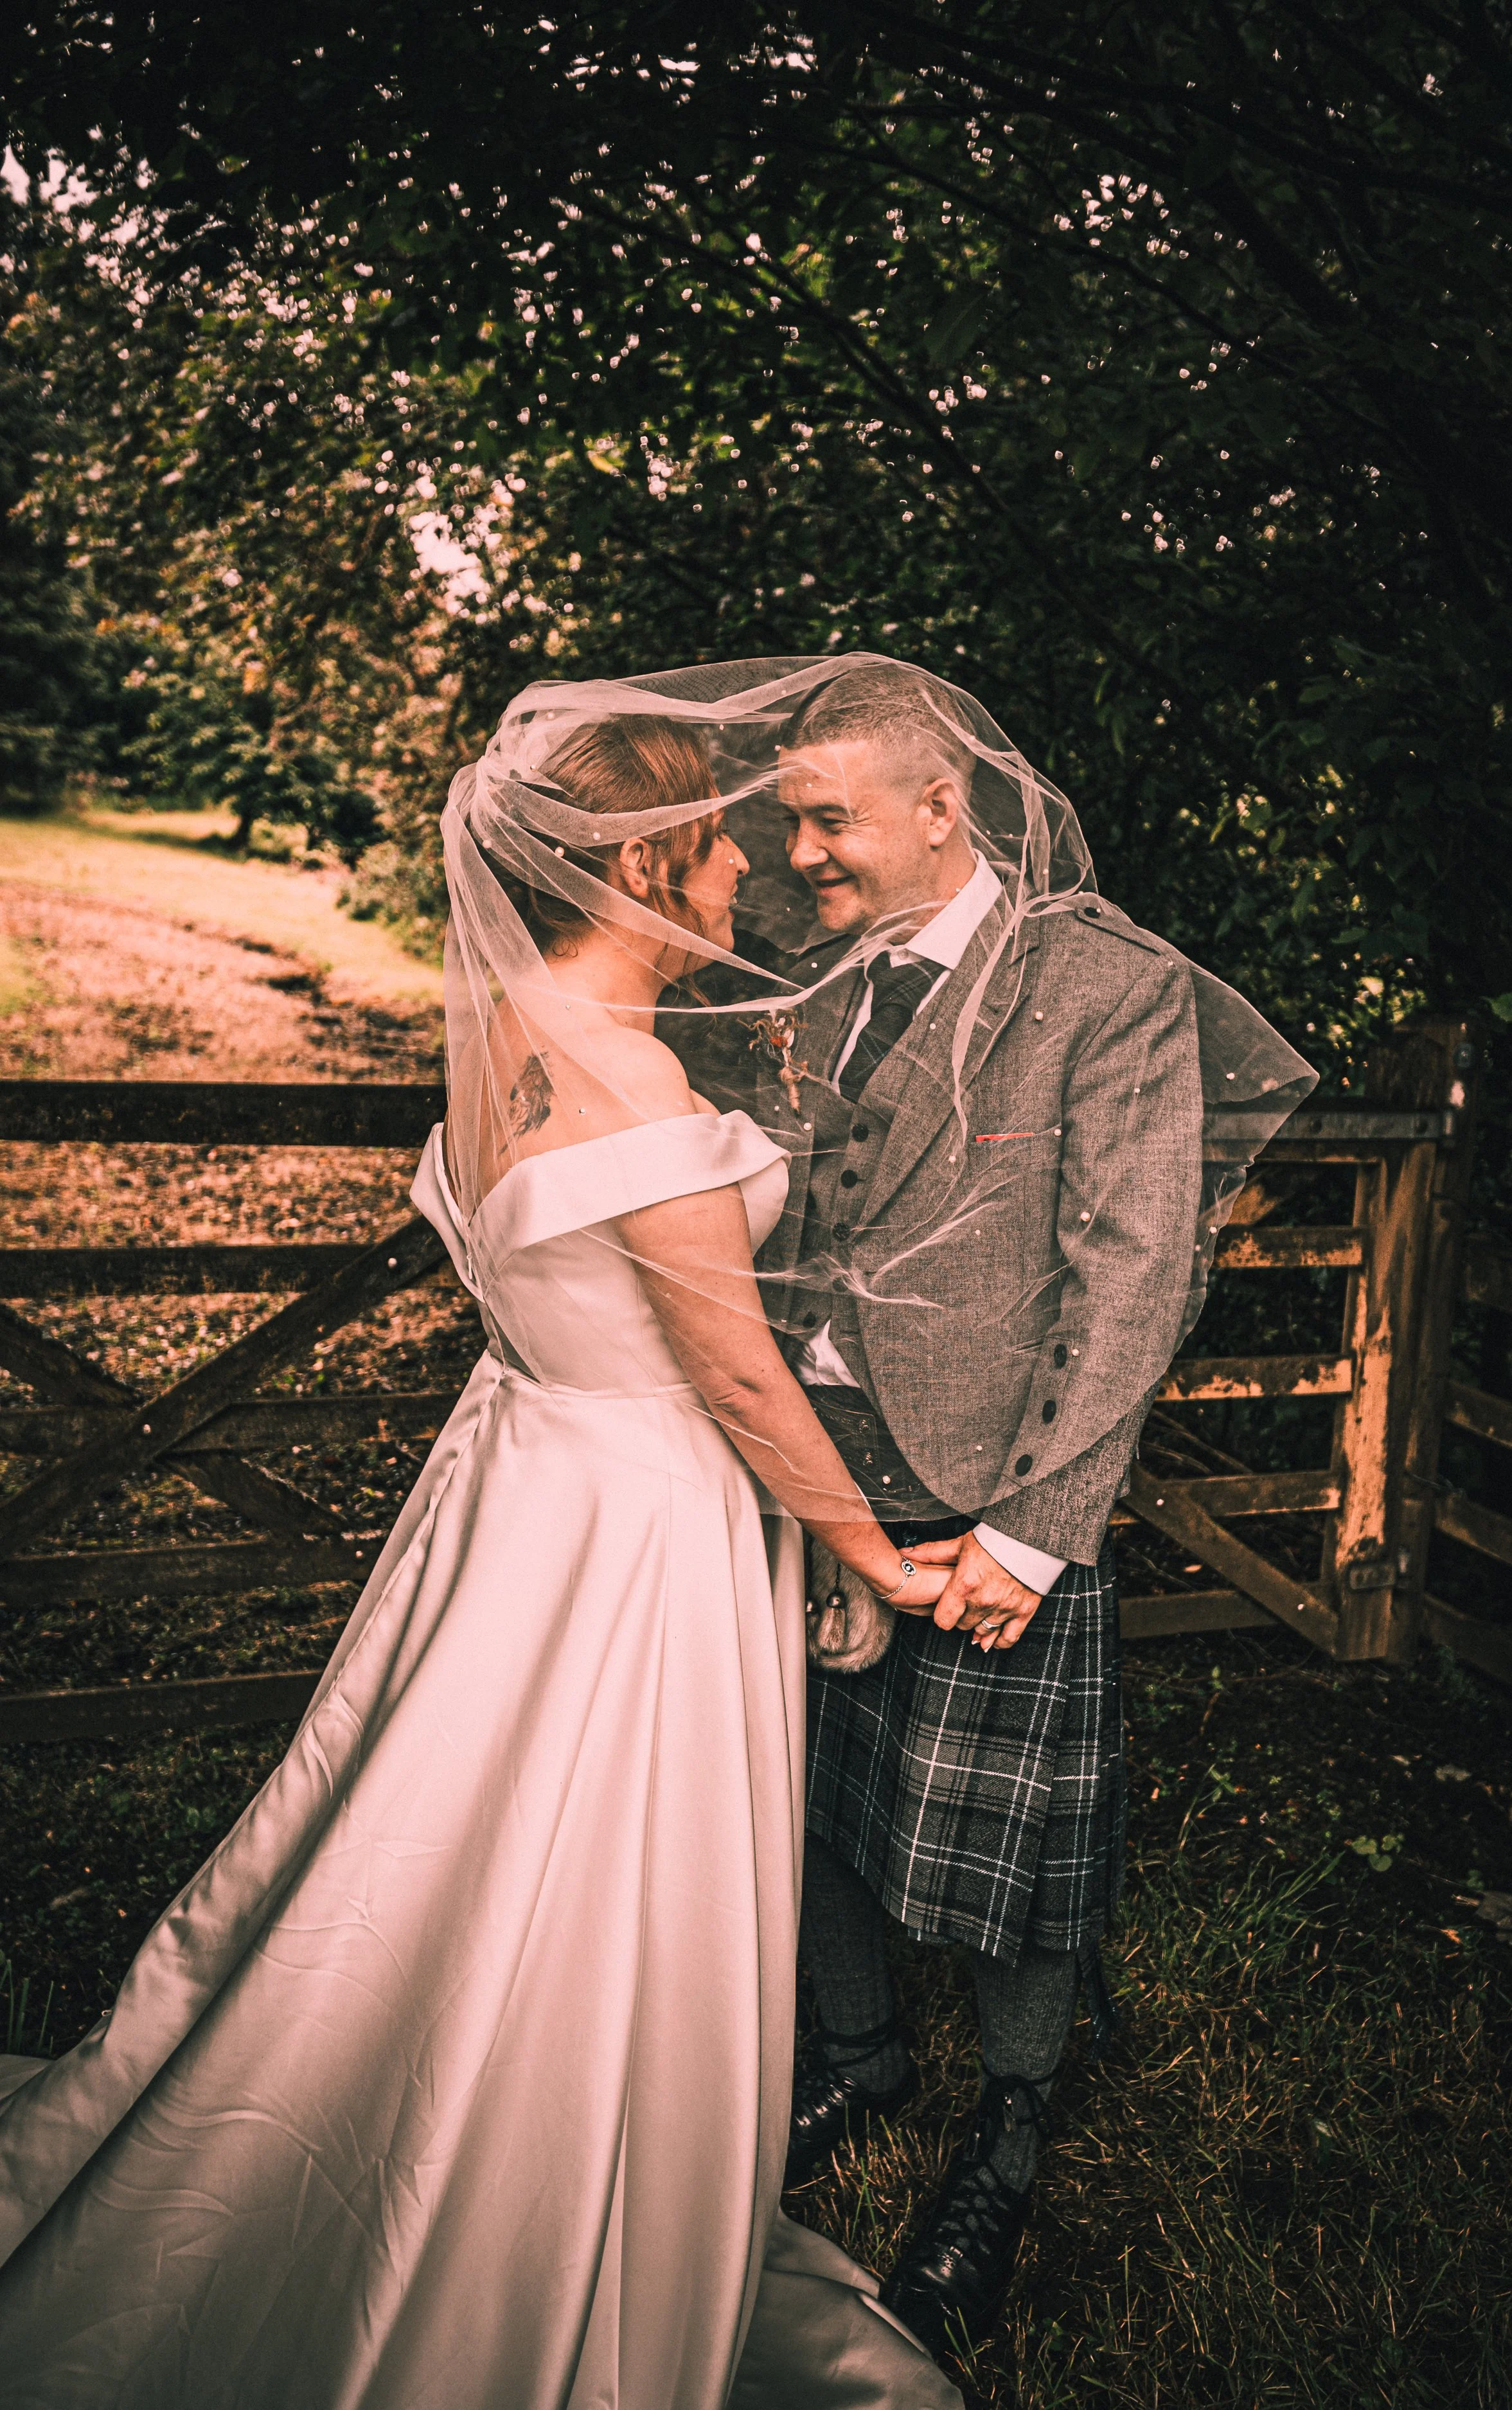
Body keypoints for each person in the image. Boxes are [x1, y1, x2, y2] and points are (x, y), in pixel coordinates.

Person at [0, 711, 965, 2410]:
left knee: (455, 1833)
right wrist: (870, 1556)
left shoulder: (510, 1035)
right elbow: (733, 1369)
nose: (749, 862)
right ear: (657, 860)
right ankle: (530, 2201)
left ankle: (446, 2120)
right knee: (592, 1852)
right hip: (631, 1519)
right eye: (725, 837)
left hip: (523, 1483)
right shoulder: (633, 1073)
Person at [741, 661, 1314, 2361]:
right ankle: (857, 2056)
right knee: (807, 1791)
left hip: (995, 1493)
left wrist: (1035, 1527)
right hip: (807, 1473)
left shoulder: (1105, 985)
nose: (800, 847)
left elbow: (1136, 1270)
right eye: (788, 816)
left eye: (825, 813)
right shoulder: (807, 975)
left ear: (944, 806)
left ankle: (1003, 2118)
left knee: (1011, 1844)